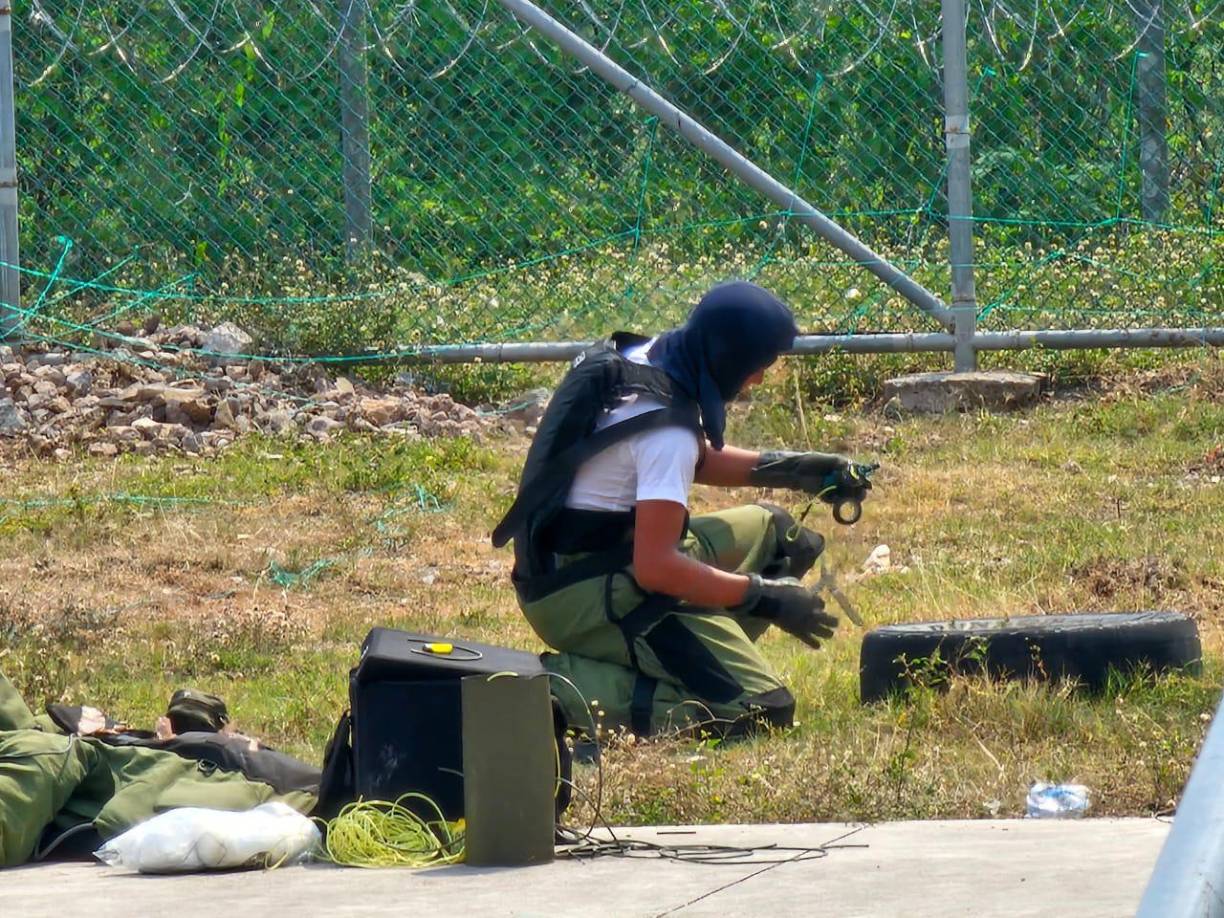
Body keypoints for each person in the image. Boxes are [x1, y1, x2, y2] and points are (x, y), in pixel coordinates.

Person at [493, 281, 869, 739]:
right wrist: (764, 596)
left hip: (578, 563)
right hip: (587, 594)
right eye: (758, 365)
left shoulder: (643, 358)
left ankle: (691, 656)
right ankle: (559, 692)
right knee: (760, 712)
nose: (760, 379)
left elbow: (672, 456)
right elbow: (657, 567)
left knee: (780, 534)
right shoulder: (664, 431)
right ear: (730, 357)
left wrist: (798, 469)